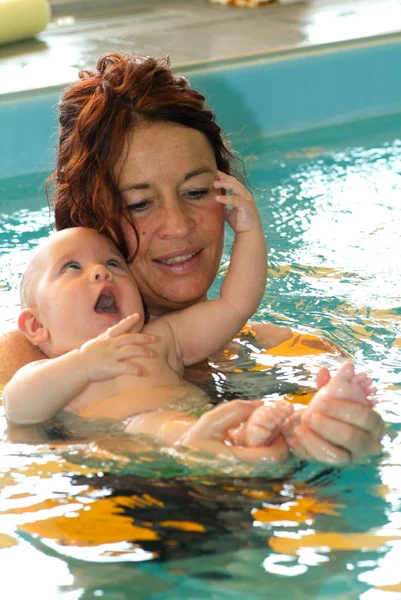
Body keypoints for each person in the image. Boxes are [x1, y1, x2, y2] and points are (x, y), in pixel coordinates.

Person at [0, 52, 384, 464]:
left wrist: (341, 446)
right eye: (139, 203)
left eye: (198, 192)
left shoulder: (286, 351)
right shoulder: (26, 359)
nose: (179, 227)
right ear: (86, 223)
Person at [3, 214, 295, 462]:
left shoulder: (161, 338)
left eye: (114, 263)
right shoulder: (51, 372)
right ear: (36, 325)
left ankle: (258, 431)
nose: (100, 272)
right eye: (72, 267)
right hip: (140, 441)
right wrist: (84, 363)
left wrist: (248, 231)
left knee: (284, 426)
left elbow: (235, 304)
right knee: (150, 423)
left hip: (198, 417)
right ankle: (227, 435)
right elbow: (19, 408)